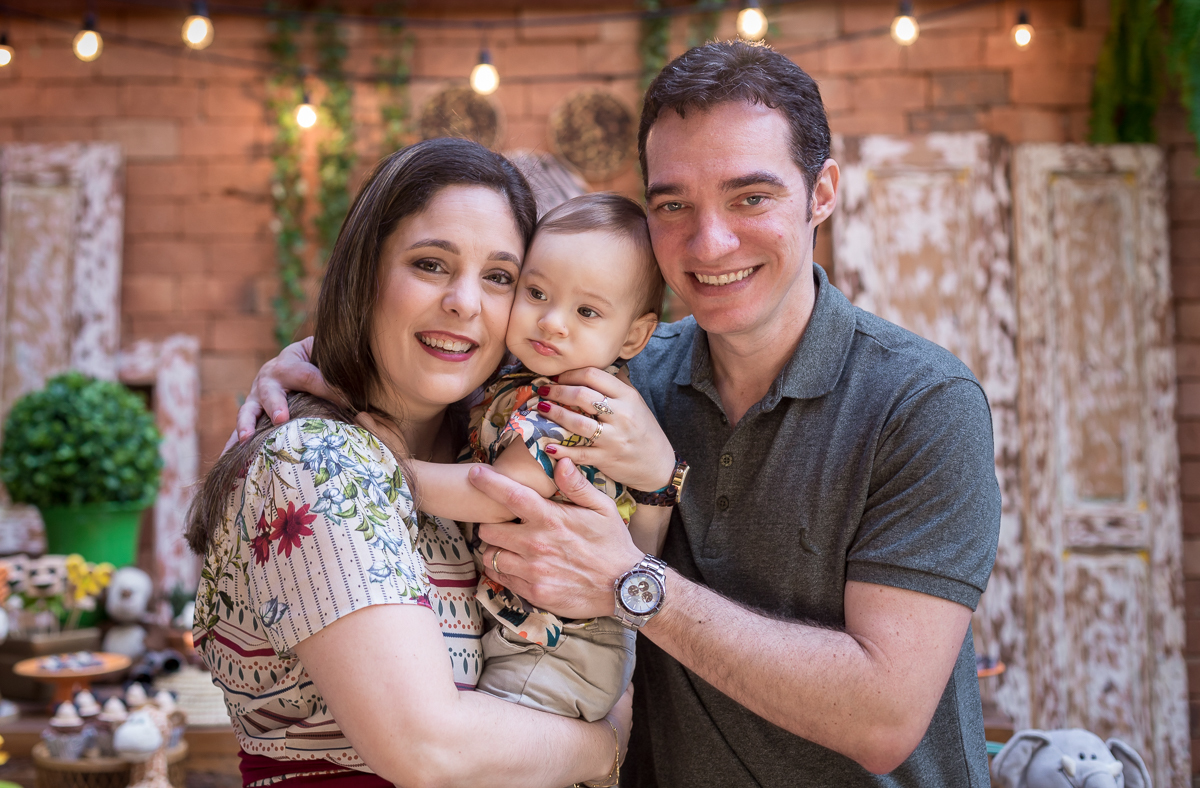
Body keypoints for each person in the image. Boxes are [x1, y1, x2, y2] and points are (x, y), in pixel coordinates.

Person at [237, 42, 1001, 788]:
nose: (711, 241)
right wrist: (313, 360)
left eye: (751, 196)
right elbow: (454, 343)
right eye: (673, 204)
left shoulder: (921, 405)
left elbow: (883, 719)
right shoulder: (609, 377)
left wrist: (632, 582)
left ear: (822, 192)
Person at [187, 137, 633, 788]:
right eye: (430, 264)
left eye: (502, 278)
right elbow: (427, 749)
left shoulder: (479, 457)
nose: (464, 302)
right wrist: (609, 746)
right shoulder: (316, 461)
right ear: (366, 272)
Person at [407, 192, 670, 723]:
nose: (552, 322)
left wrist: (385, 464)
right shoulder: (530, 379)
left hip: (556, 646)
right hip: (532, 628)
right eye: (536, 292)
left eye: (587, 311)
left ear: (635, 335)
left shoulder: (575, 407)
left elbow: (499, 495)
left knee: (495, 759)